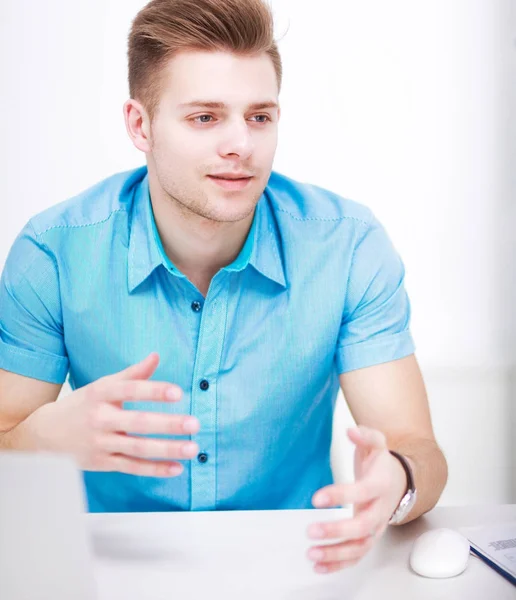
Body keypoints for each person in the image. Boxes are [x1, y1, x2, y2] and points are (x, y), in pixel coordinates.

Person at [0, 0, 447, 574]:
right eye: (205, 117)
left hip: (299, 567)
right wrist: (41, 443)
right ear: (141, 125)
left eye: (259, 116)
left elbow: (419, 449)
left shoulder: (349, 248)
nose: (242, 145)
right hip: (107, 567)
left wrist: (400, 482)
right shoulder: (54, 253)